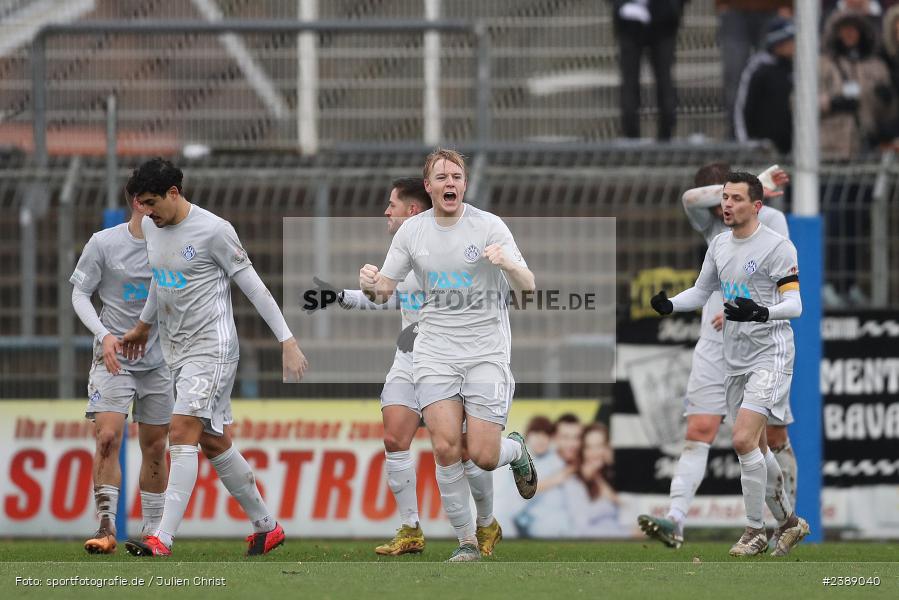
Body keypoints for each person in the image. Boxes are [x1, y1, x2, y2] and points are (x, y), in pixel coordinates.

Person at [119, 158, 308, 557]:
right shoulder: (154, 227)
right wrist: (143, 325)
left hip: (213, 348)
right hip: (176, 351)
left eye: (152, 203)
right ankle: (266, 526)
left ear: (174, 192)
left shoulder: (214, 230)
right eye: (142, 205)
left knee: (183, 427)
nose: (147, 213)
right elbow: (161, 280)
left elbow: (255, 288)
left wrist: (287, 340)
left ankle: (161, 538)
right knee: (211, 439)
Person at [359, 148, 538, 562]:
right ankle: (467, 542)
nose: (450, 183)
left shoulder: (489, 226)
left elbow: (528, 287)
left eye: (456, 176)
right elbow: (384, 289)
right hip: (434, 351)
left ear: (465, 183)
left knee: (483, 455)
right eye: (441, 177)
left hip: (485, 353)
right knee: (444, 447)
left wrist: (508, 263)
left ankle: (516, 451)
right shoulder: (412, 232)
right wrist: (368, 282)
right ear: (429, 186)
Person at [323, 177, 502, 557]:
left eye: (393, 204)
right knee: (394, 438)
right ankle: (412, 528)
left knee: (468, 451)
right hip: (412, 359)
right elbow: (387, 296)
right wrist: (345, 295)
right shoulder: (404, 248)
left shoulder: (450, 248)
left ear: (413, 210)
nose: (387, 211)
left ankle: (486, 522)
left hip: (456, 358)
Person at [638, 162, 799, 549]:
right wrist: (671, 305)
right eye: (721, 197)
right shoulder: (715, 237)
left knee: (760, 439)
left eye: (733, 197)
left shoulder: (774, 229)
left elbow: (788, 298)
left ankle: (767, 526)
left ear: (755, 203)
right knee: (710, 434)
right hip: (722, 348)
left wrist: (757, 312)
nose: (723, 206)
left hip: (765, 347)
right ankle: (678, 520)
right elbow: (701, 288)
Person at [70, 193, 174, 554]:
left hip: (159, 362)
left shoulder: (174, 244)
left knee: (157, 446)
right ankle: (106, 527)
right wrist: (105, 335)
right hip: (114, 358)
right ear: (135, 202)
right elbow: (80, 294)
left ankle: (152, 532)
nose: (154, 211)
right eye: (148, 202)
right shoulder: (104, 244)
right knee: (108, 437)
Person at [819, 8, 896, 159]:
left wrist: (887, 99)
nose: (849, 33)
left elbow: (888, 115)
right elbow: (799, 103)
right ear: (835, 33)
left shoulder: (877, 66)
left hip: (866, 148)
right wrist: (831, 103)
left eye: (854, 29)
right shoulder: (823, 65)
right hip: (830, 149)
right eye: (844, 29)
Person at [608, 0, 686, 140]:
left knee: (664, 81)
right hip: (629, 22)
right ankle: (631, 136)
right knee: (630, 82)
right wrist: (620, 6)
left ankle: (666, 136)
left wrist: (674, 7)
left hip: (664, 20)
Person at [717, 0, 793, 136]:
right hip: (734, 9)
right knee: (734, 80)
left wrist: (788, 4)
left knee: (773, 78)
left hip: (773, 8)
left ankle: (772, 140)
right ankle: (736, 139)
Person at [734, 18, 795, 154]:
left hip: (790, 150)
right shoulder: (758, 69)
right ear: (778, 43)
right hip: (762, 149)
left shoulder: (795, 70)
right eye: (790, 41)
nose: (794, 45)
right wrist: (747, 142)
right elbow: (743, 106)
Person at [564, 424, 630, 538]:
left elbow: (627, 509)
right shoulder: (574, 482)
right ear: (582, 451)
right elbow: (580, 529)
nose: (595, 452)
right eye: (589, 447)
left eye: (599, 446)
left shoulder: (608, 476)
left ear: (607, 447)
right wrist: (628, 534)